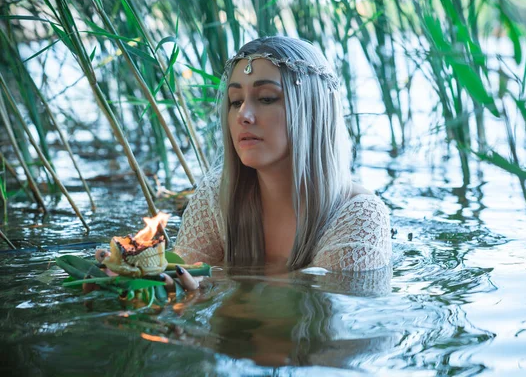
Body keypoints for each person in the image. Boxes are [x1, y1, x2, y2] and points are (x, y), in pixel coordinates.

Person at [95, 36, 392, 290]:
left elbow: (318, 307)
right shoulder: (217, 195)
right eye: (236, 101)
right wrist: (134, 281)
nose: (243, 115)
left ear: (312, 112)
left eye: (266, 98)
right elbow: (183, 275)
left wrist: (213, 288)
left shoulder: (359, 215)